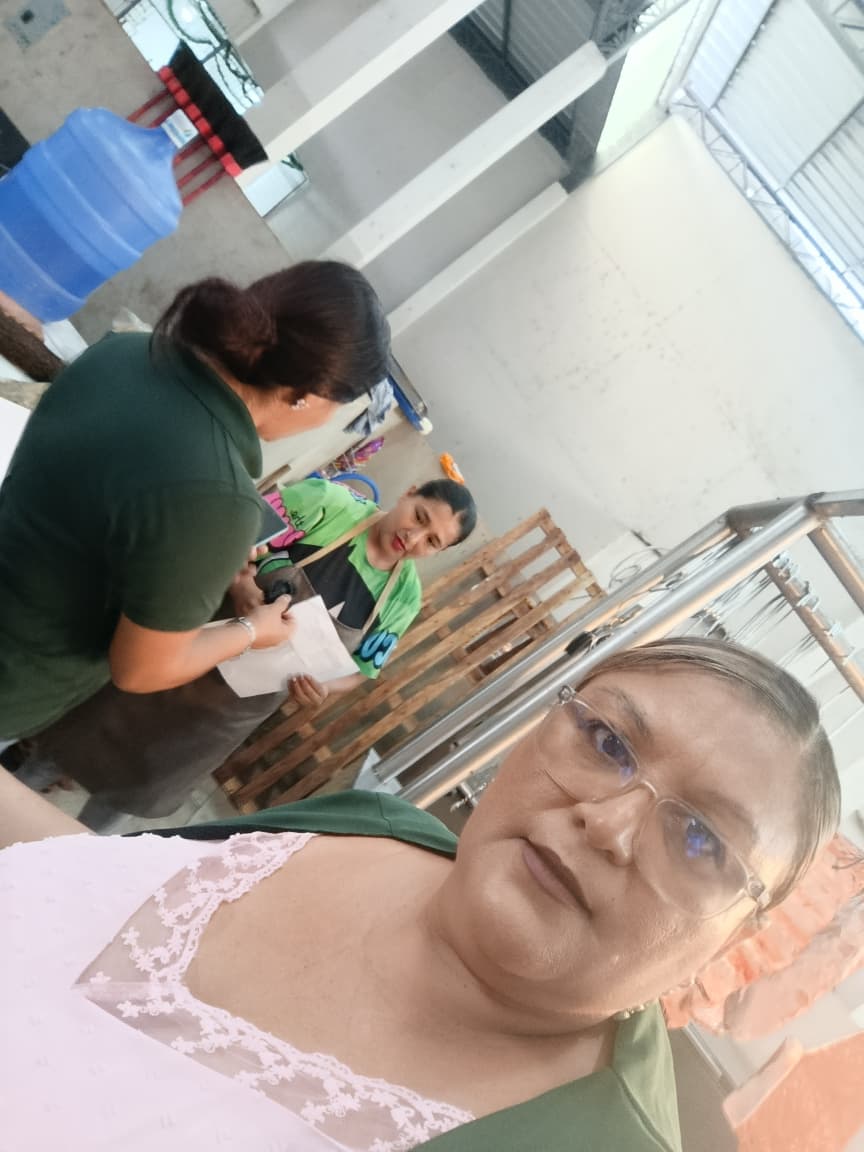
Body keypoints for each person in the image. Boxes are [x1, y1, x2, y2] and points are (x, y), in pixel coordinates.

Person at [0, 637, 840, 1150]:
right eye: (609, 742)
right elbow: (83, 894)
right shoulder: (372, 825)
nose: (608, 825)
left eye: (701, 840)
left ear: (733, 940)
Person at [0, 261, 390, 745]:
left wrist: (194, 560)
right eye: (339, 405)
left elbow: (104, 512)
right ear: (310, 394)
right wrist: (252, 629)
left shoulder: (125, 353)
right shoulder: (218, 499)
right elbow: (141, 669)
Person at [13, 476, 478, 824]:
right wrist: (241, 585)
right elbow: (232, 540)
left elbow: (360, 671)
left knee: (129, 791)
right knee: (71, 741)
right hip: (181, 648)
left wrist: (323, 688)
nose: (413, 539)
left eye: (432, 542)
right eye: (420, 517)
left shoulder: (403, 598)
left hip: (222, 714)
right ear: (408, 492)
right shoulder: (327, 503)